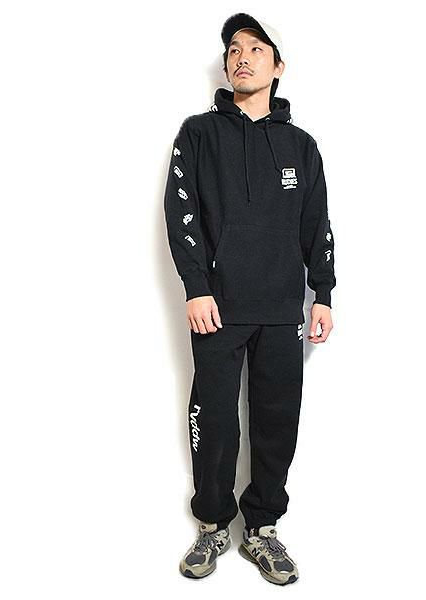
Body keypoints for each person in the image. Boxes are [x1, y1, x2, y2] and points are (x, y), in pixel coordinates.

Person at [164, 13, 336, 585]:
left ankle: (262, 527)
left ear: (277, 66)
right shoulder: (198, 134)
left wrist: (323, 293)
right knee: (214, 420)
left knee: (276, 421)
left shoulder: (301, 147)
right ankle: (213, 524)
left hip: (283, 309)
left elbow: (317, 223)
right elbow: (181, 213)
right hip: (217, 308)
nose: (242, 57)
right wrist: (196, 286)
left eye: (256, 49)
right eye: (234, 49)